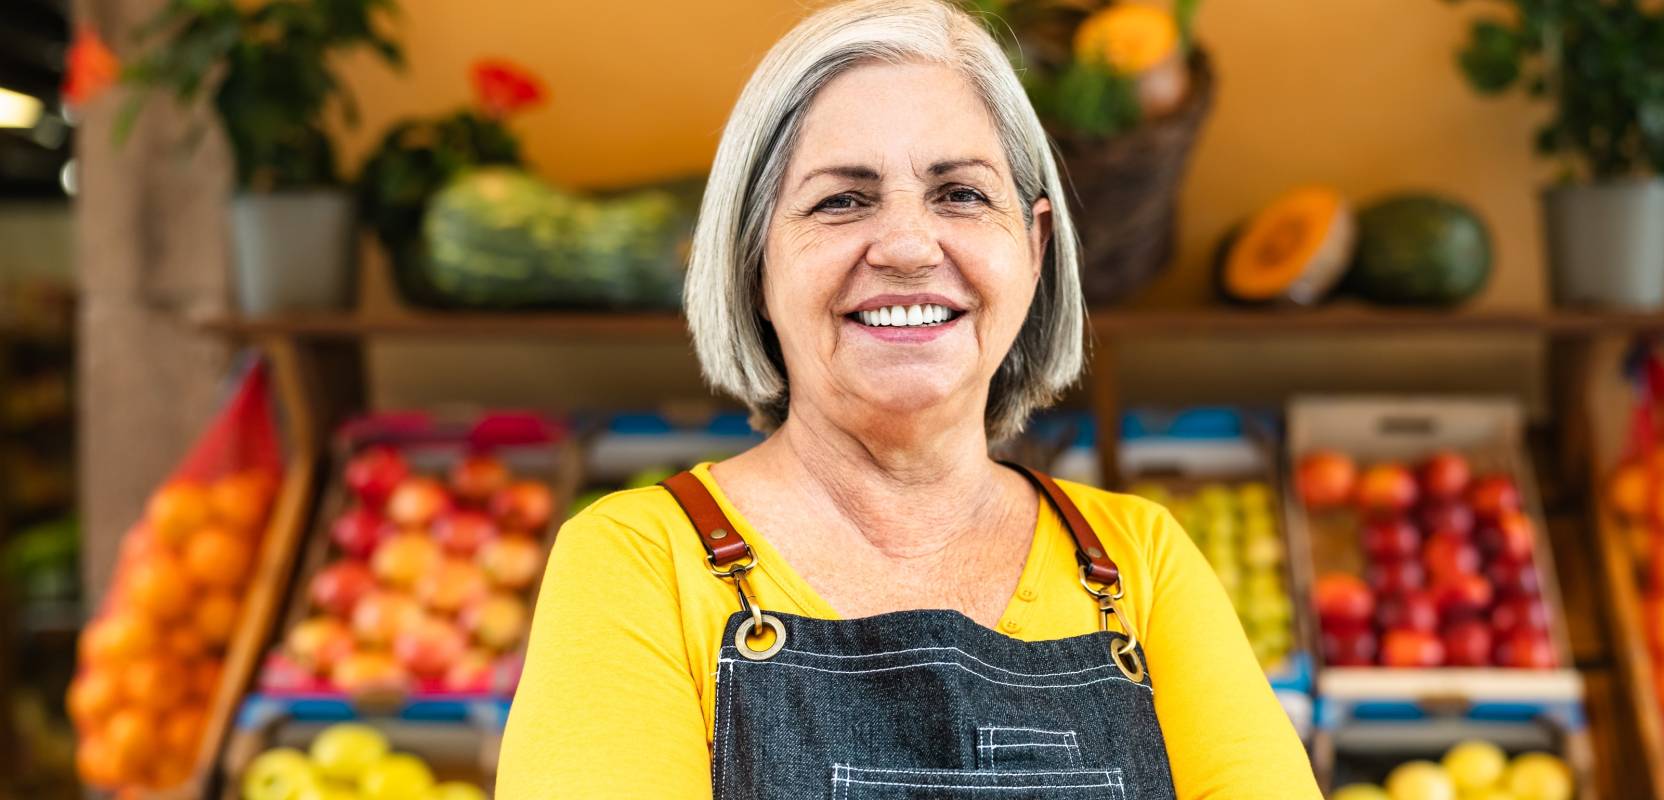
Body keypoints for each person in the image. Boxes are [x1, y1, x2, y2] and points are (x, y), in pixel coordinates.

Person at [497, 1, 1319, 796]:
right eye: (841, 201)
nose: (906, 246)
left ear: (1033, 250)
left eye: (961, 194)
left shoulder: (1142, 560)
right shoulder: (637, 561)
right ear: (754, 261)